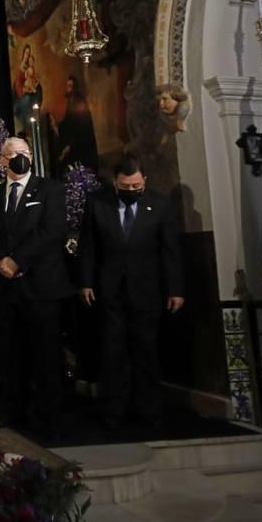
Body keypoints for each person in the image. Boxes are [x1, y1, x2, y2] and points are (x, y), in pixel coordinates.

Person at [0, 136, 74, 439]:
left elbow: (52, 230)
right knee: (9, 351)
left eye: (25, 153)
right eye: (13, 154)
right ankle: (11, 406)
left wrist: (17, 261)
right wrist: (1, 261)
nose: (20, 157)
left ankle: (48, 414)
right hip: (4, 287)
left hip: (41, 284)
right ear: (2, 161)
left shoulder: (51, 189)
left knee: (45, 352)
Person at [78, 156, 185, 432]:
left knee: (146, 352)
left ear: (144, 180)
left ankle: (150, 412)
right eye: (126, 186)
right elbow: (88, 245)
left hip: (147, 291)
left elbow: (170, 250)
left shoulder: (159, 205)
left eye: (136, 185)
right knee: (113, 353)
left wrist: (175, 289)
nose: (132, 189)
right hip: (110, 291)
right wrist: (86, 282)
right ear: (115, 182)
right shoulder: (97, 203)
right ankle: (113, 412)